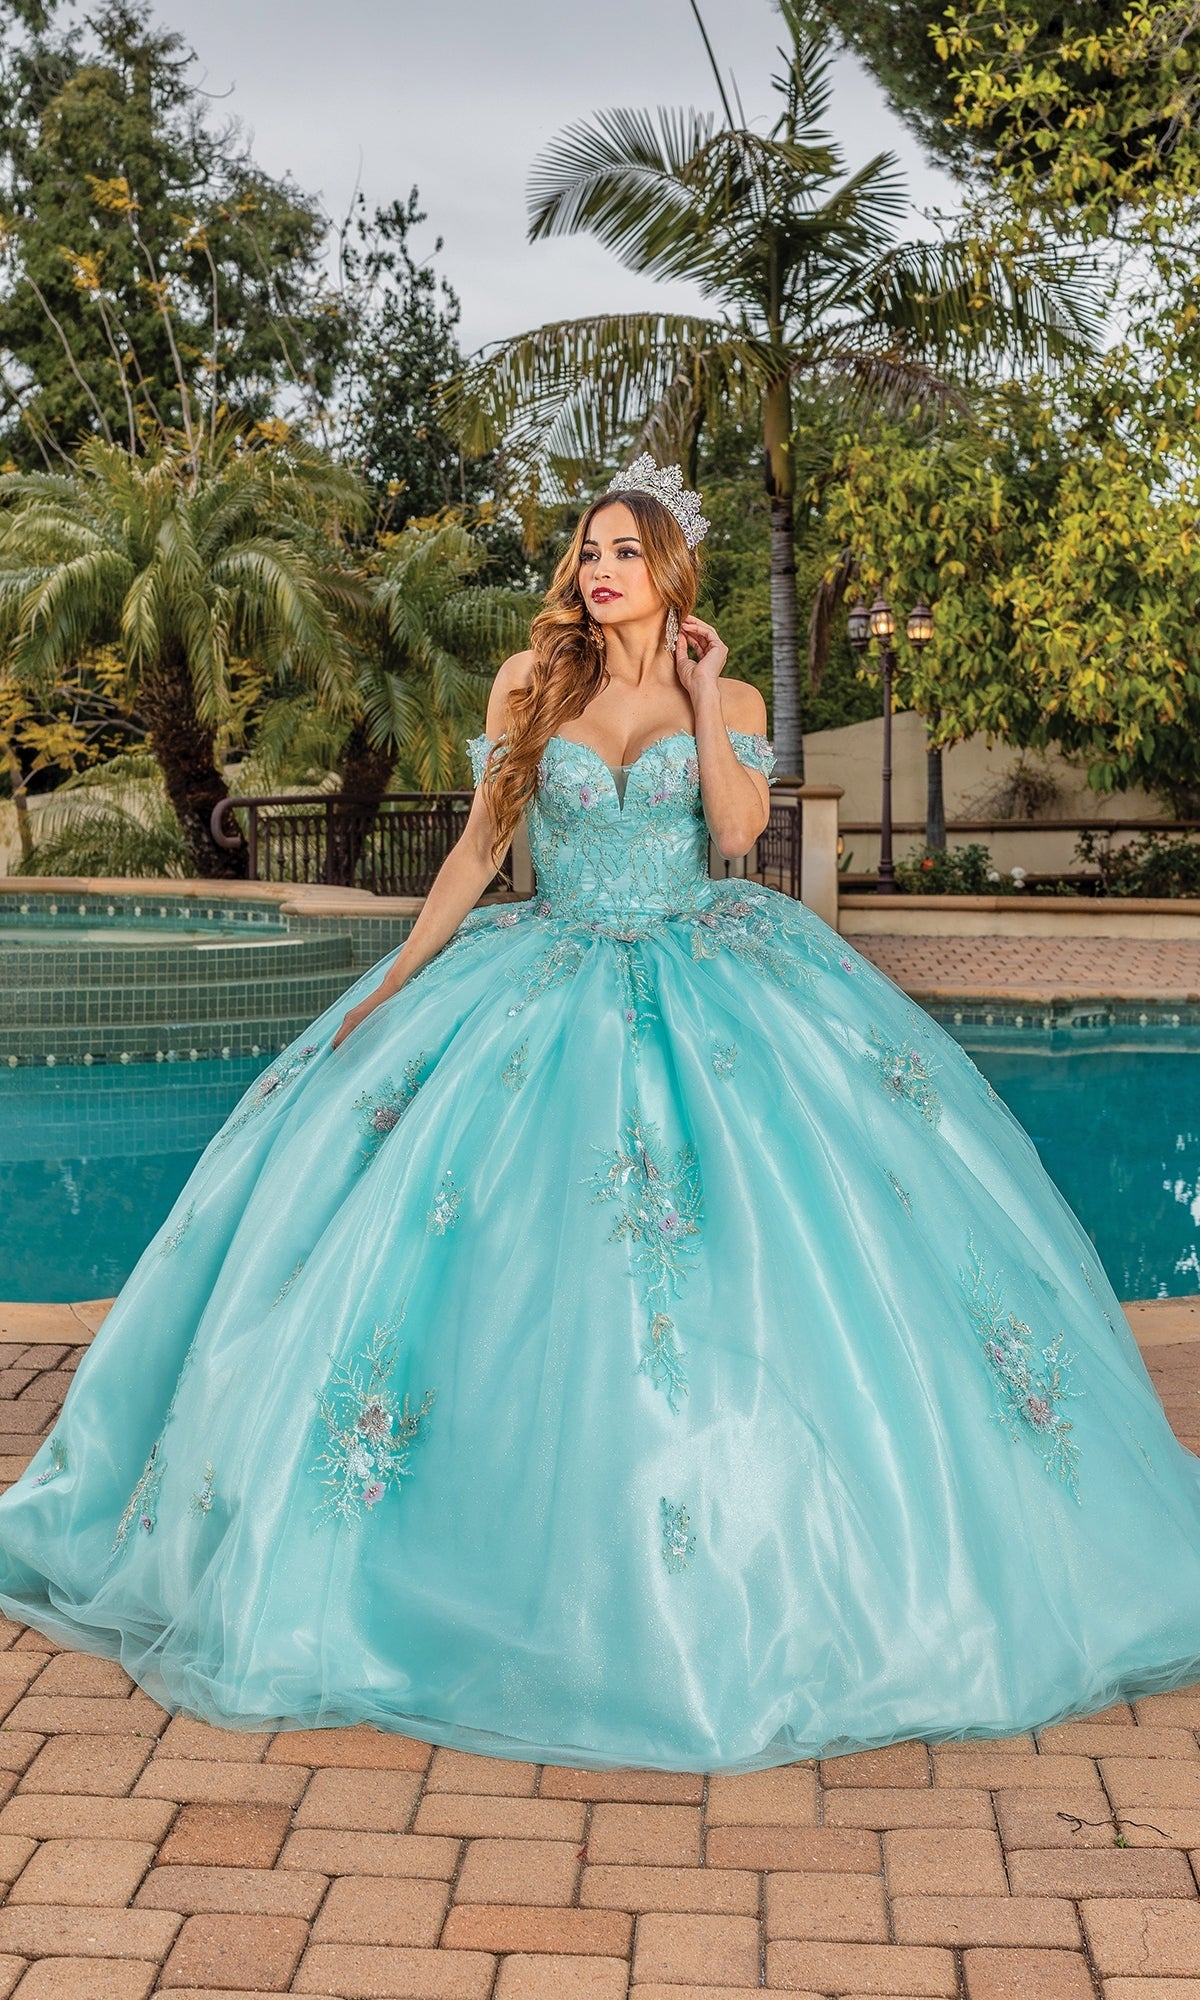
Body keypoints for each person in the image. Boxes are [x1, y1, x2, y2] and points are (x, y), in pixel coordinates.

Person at [1, 454, 1198, 1776]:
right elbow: (476, 852)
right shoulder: (530, 685)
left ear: (668, 573)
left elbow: (741, 839)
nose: (601, 569)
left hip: (715, 975)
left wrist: (697, 695)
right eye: (589, 550)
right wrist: (392, 985)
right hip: (548, 978)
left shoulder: (725, 692)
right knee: (511, 1269)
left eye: (625, 551)